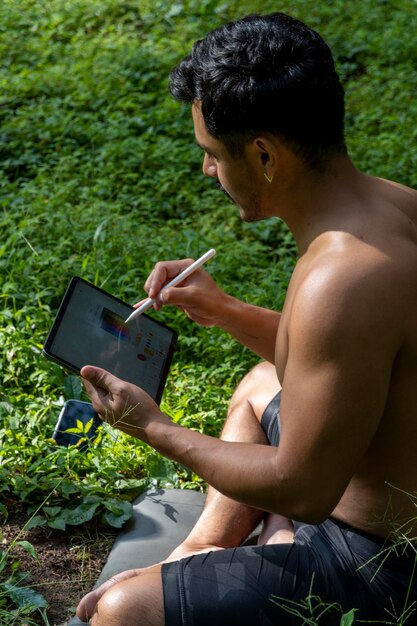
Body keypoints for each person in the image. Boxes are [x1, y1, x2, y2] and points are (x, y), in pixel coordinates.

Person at [76, 12, 417, 626]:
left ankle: (268, 546)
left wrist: (152, 426)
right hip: (358, 488)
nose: (209, 171)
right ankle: (206, 548)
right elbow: (348, 354)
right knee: (262, 380)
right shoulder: (388, 207)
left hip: (380, 561)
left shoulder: (341, 276)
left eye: (211, 154)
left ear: (264, 154)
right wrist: (226, 310)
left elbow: (302, 490)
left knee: (118, 612)